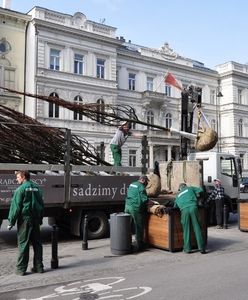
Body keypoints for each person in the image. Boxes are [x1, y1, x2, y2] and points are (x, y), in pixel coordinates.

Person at [8, 171, 44, 275]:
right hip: (36, 219)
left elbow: (16, 207)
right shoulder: (37, 187)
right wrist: (40, 219)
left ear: (23, 177)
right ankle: (39, 267)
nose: (17, 179)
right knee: (37, 244)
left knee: (23, 244)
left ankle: (21, 269)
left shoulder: (20, 189)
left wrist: (11, 221)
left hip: (25, 220)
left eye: (18, 177)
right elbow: (41, 204)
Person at [174, 183, 206, 254]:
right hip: (193, 207)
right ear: (185, 186)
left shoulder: (177, 195)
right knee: (197, 227)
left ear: (180, 189)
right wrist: (199, 199)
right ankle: (201, 248)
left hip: (184, 210)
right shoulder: (190, 188)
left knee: (186, 230)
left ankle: (187, 249)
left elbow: (175, 206)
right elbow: (200, 190)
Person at [124, 175, 150, 251]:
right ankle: (140, 244)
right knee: (138, 226)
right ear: (143, 180)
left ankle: (126, 243)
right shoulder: (141, 187)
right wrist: (149, 202)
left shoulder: (132, 184)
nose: (146, 183)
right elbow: (144, 200)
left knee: (127, 226)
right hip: (135, 208)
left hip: (127, 206)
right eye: (146, 181)